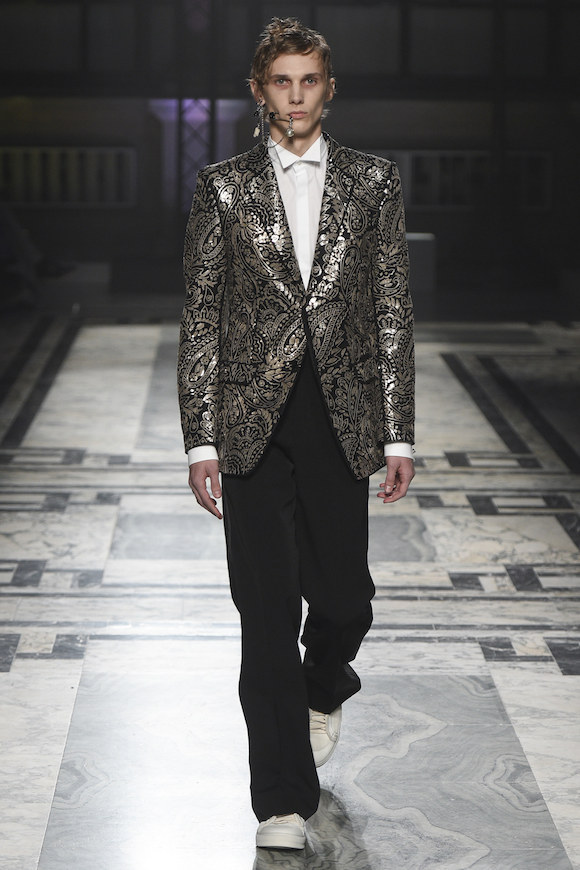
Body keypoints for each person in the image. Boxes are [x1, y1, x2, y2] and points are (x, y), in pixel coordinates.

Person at [177, 17, 415, 851]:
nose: (296, 95)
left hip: (339, 417)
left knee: (345, 597)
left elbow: (392, 308)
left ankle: (325, 681)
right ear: (260, 90)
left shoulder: (373, 182)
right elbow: (201, 315)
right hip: (250, 422)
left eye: (309, 80)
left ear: (329, 88)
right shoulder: (223, 187)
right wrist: (201, 440)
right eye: (282, 81)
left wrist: (398, 433)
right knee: (266, 612)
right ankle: (280, 800)